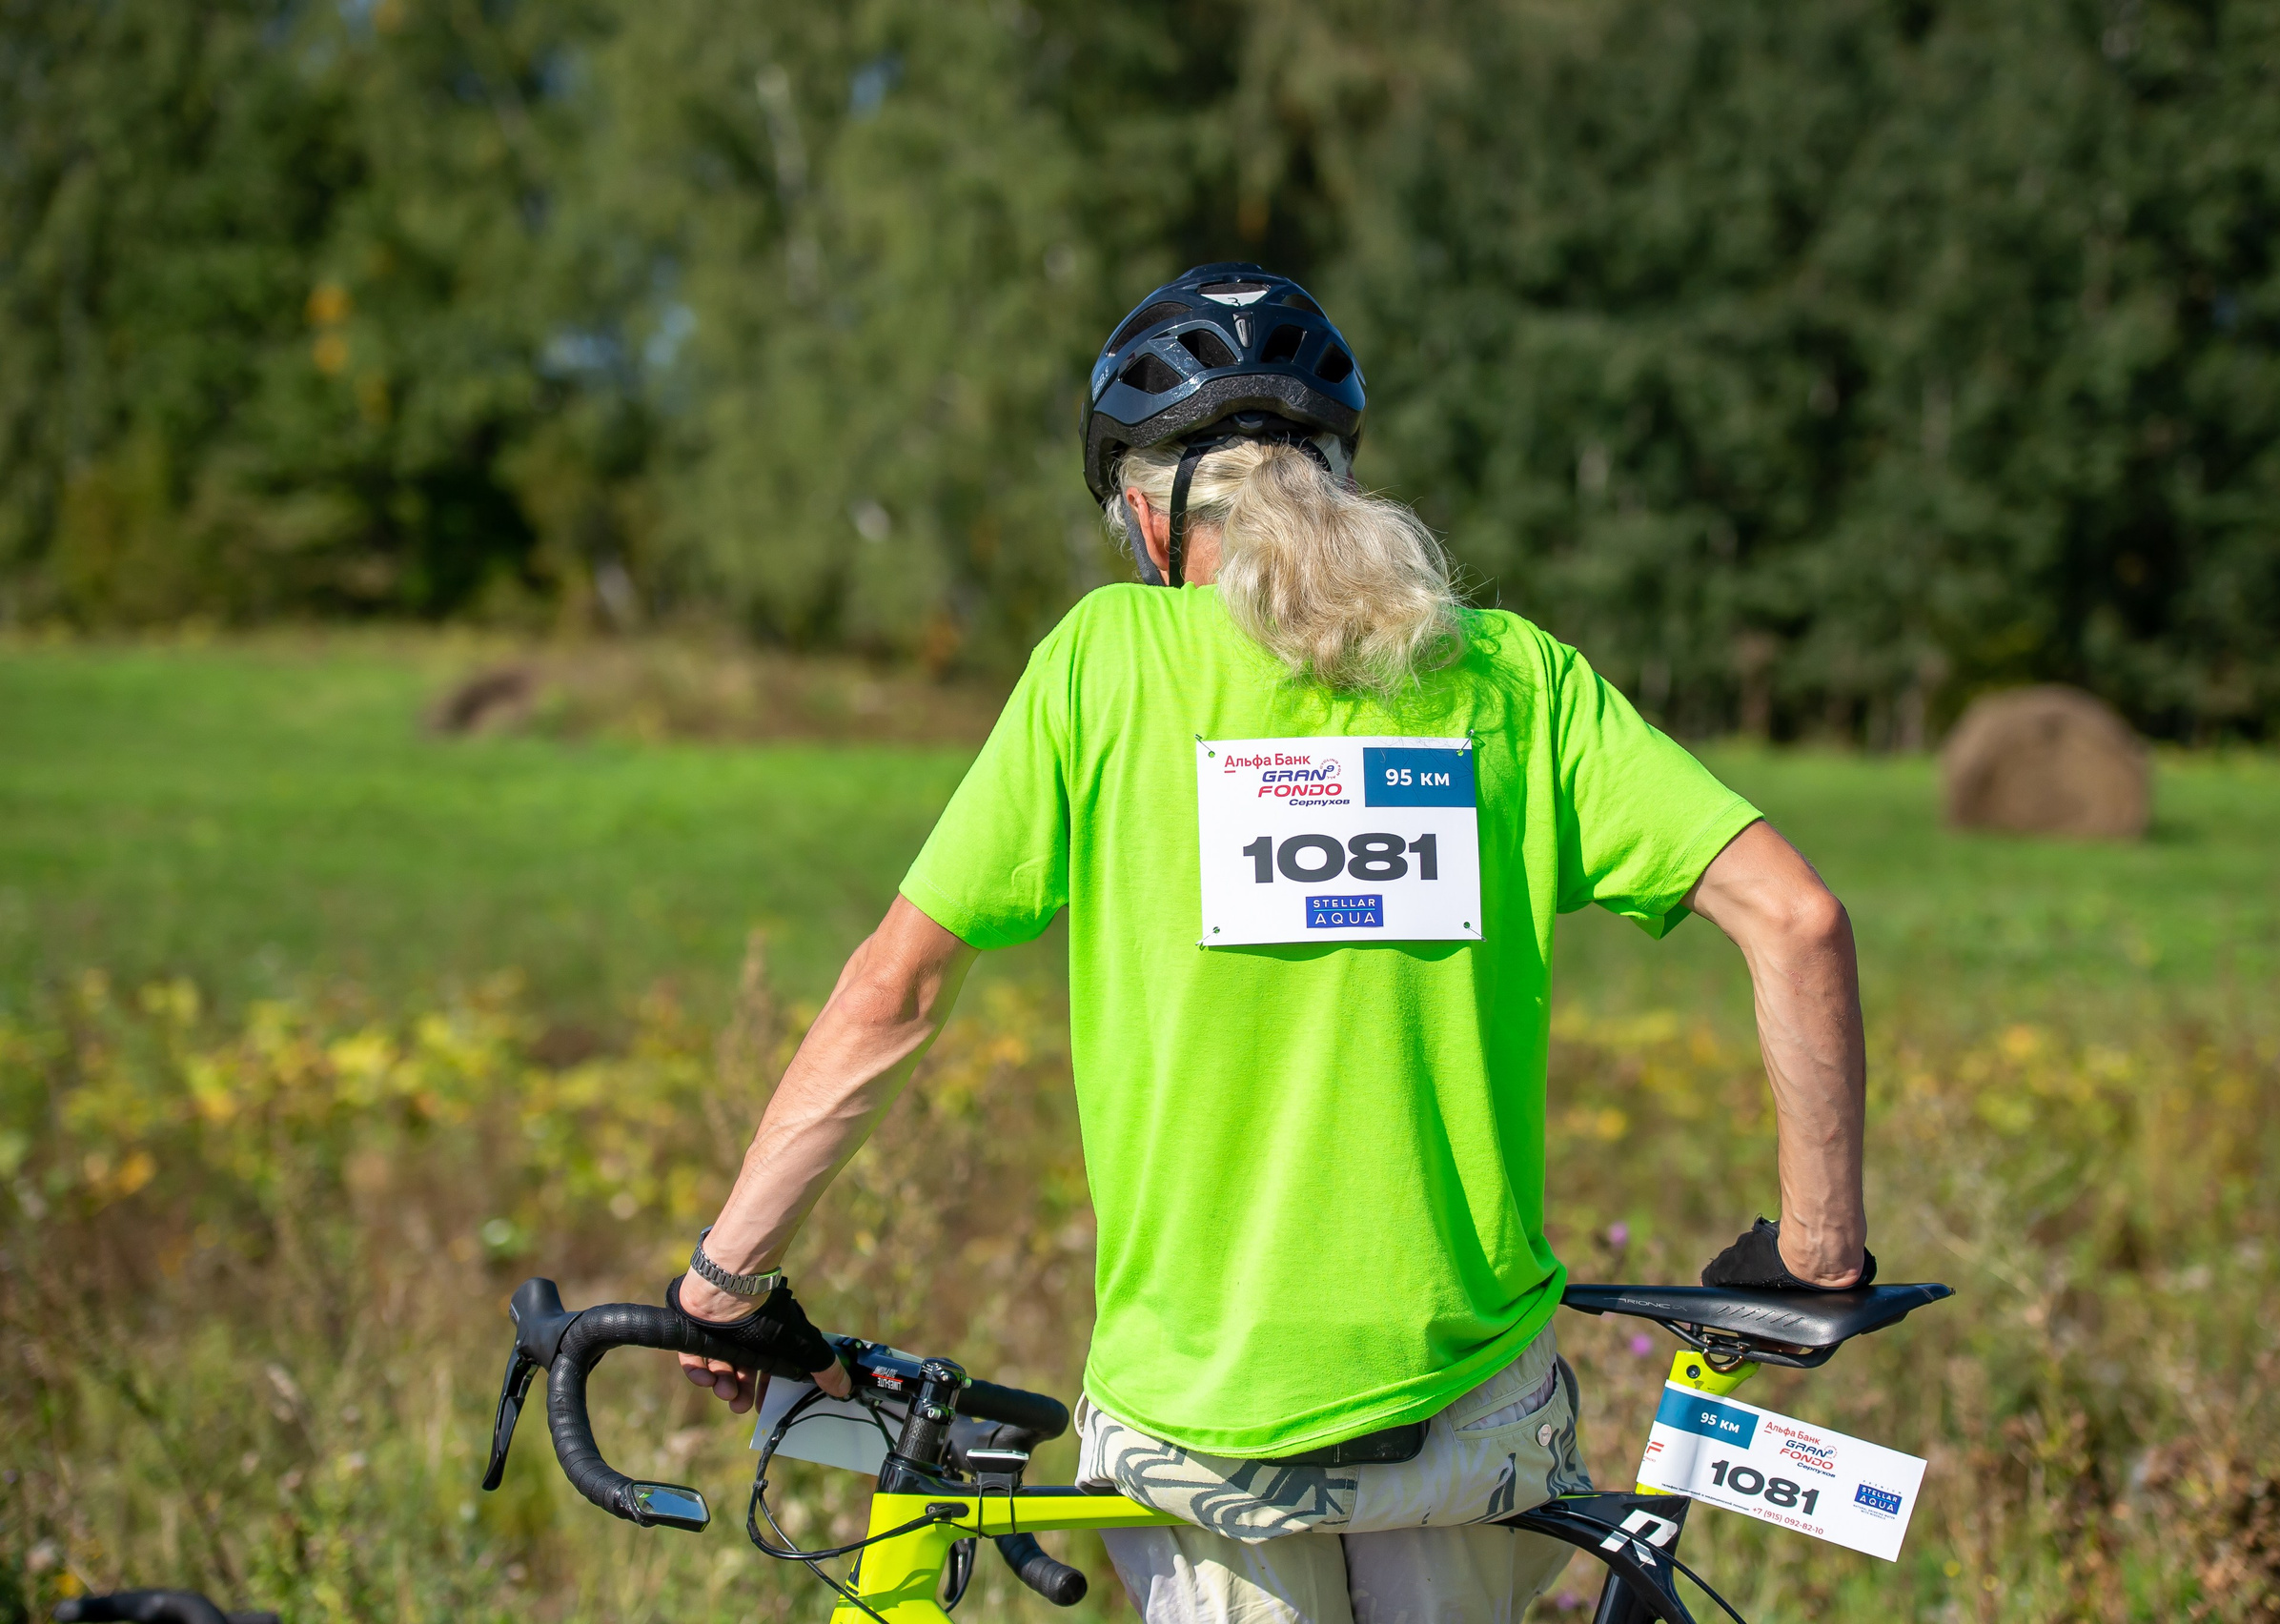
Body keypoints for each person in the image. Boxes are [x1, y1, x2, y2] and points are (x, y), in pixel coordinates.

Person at [666, 264, 1871, 1623]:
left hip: (1206, 1426)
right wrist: (1817, 1258)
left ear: (1142, 504)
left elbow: (898, 987)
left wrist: (726, 1280)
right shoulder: (1510, 677)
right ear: (1340, 475)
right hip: (1469, 1417)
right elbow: (1799, 917)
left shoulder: (1103, 663)